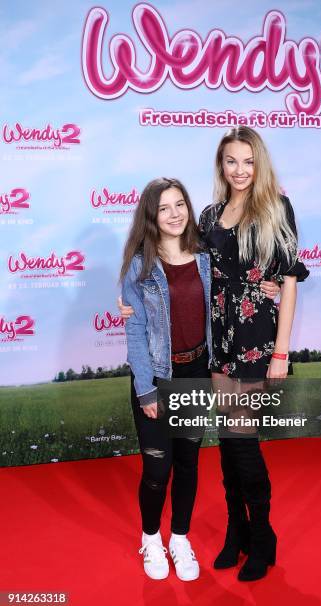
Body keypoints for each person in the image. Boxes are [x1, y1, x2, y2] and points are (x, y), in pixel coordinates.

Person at [198, 126, 309, 581]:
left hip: (256, 340)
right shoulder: (208, 216)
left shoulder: (276, 209)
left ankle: (262, 535)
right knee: (227, 445)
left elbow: (287, 281)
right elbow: (190, 272)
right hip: (219, 341)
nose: (240, 170)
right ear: (221, 165)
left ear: (258, 163)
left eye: (248, 161)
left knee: (242, 444)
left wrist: (281, 353)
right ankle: (235, 530)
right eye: (231, 161)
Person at [120, 177, 213, 581]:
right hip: (159, 375)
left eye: (180, 205)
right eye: (164, 208)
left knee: (189, 464)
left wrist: (272, 286)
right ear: (151, 216)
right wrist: (146, 390)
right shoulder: (140, 267)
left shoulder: (207, 256)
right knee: (158, 470)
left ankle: (180, 538)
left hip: (198, 373)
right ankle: (152, 538)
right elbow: (135, 332)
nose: (175, 214)